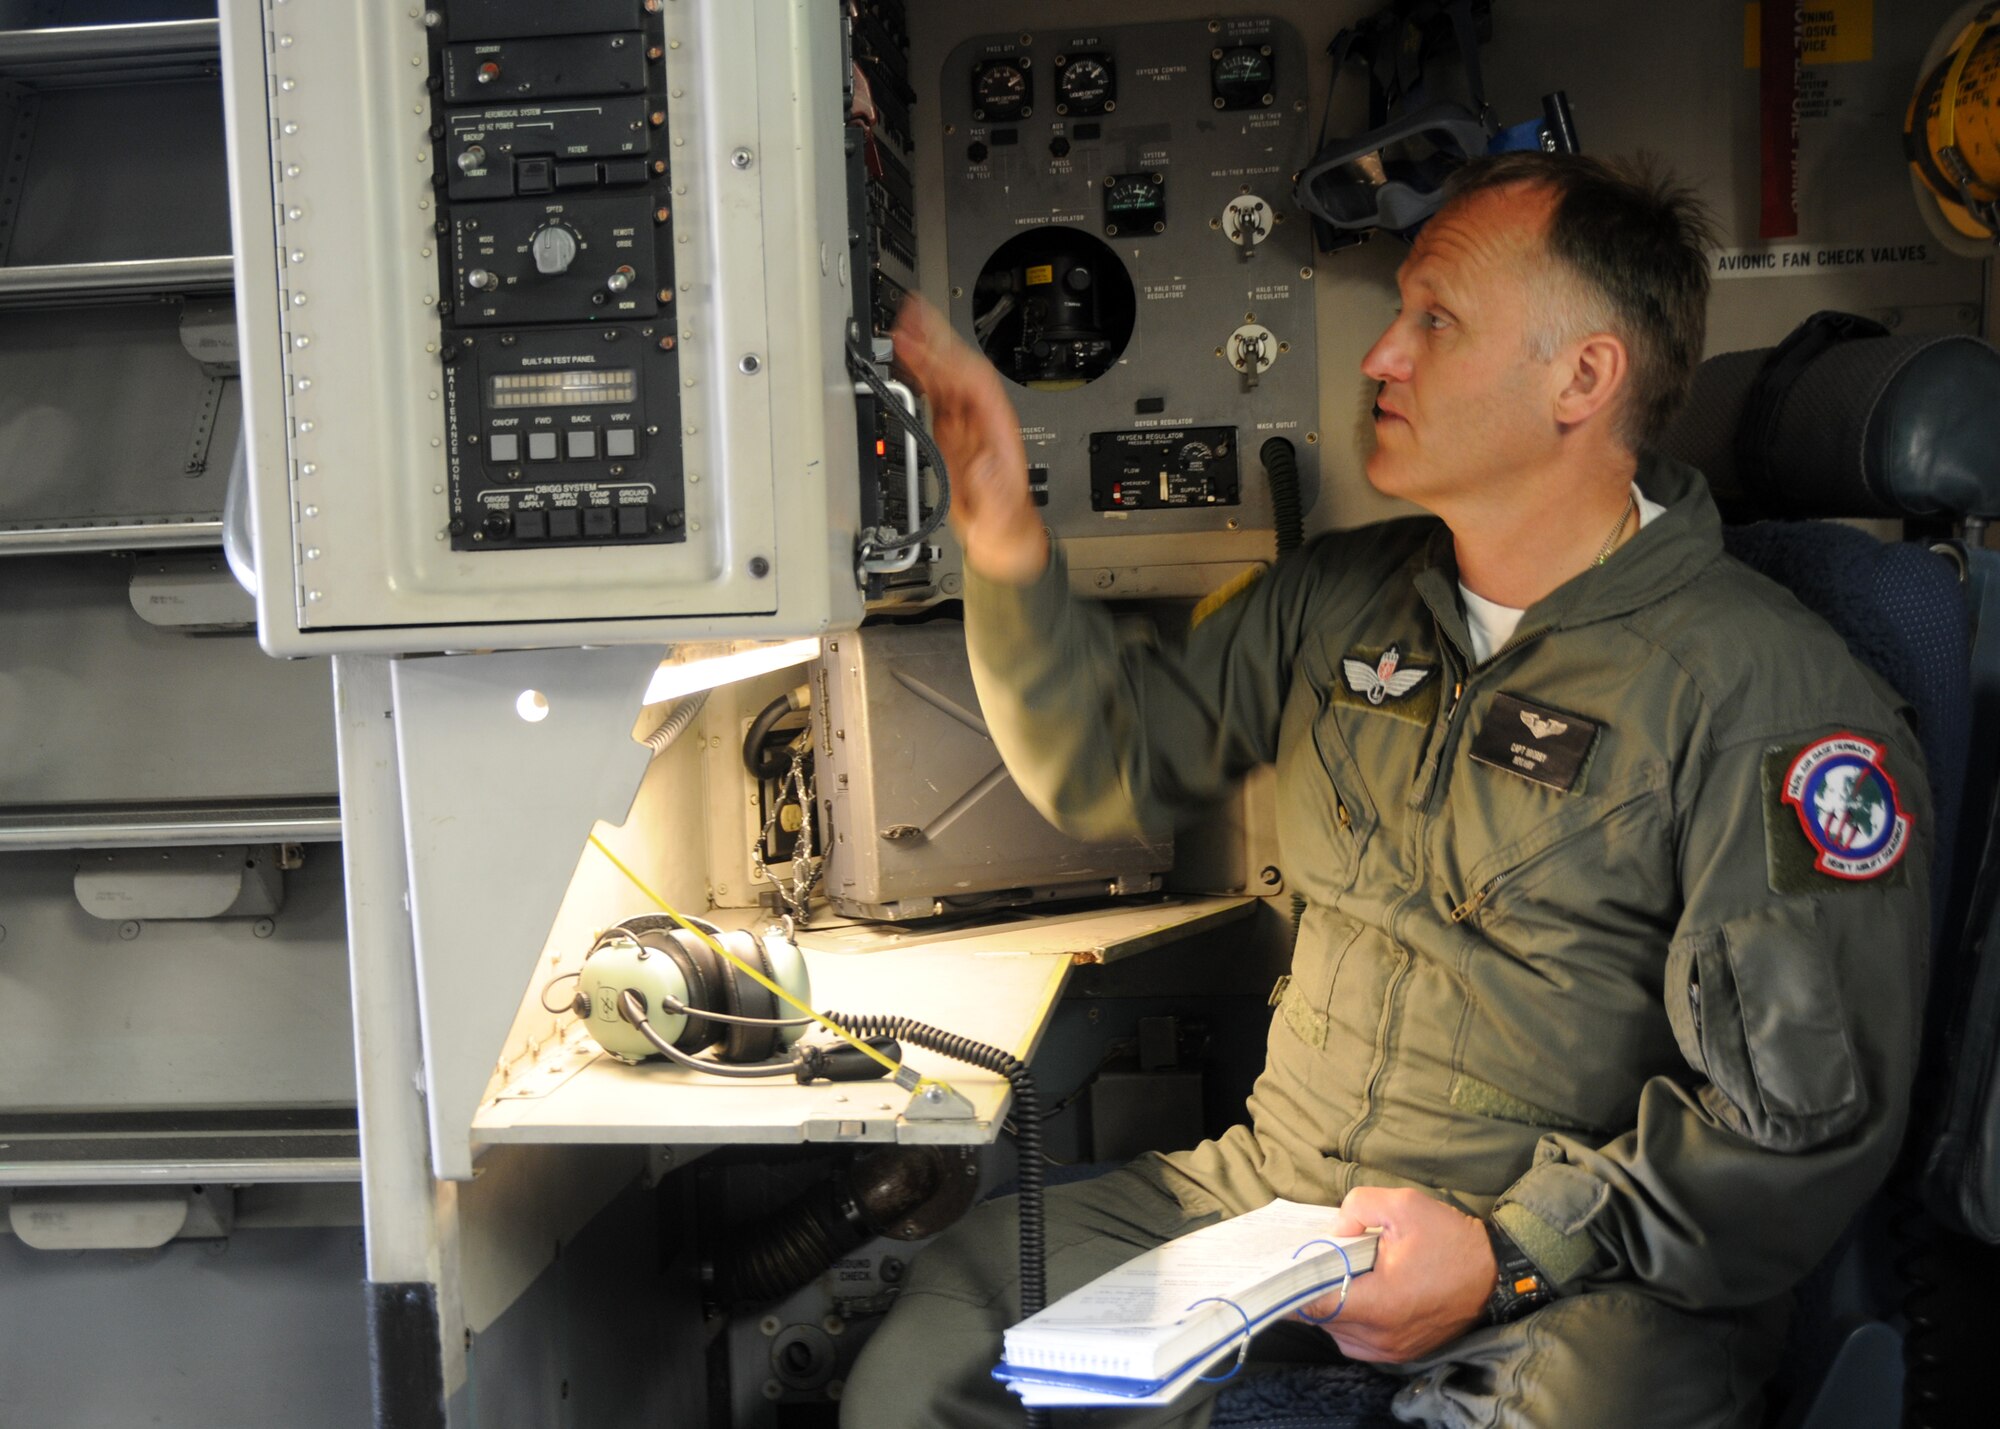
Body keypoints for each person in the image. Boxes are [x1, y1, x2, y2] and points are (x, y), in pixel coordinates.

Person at [839, 153, 1930, 1429]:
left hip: (1577, 1274)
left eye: (1434, 321)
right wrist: (996, 516)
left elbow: (1791, 1127)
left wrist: (1504, 1251)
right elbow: (1109, 758)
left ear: (1582, 377)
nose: (1378, 357)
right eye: (1397, 311)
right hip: (1273, 1201)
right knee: (938, 1359)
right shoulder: (1341, 597)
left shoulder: (1767, 698)